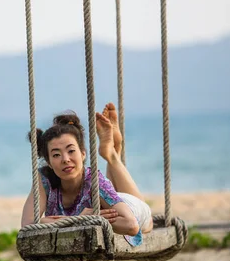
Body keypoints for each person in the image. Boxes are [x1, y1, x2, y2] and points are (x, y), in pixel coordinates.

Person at [20, 102, 153, 245]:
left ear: (83, 154)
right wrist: (80, 218)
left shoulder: (94, 180)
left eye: (71, 151)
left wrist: (56, 221)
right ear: (49, 162)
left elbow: (132, 226)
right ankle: (112, 152)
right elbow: (27, 226)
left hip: (129, 208)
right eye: (56, 155)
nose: (65, 159)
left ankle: (112, 155)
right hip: (110, 203)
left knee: (147, 220)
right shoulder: (45, 179)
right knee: (109, 194)